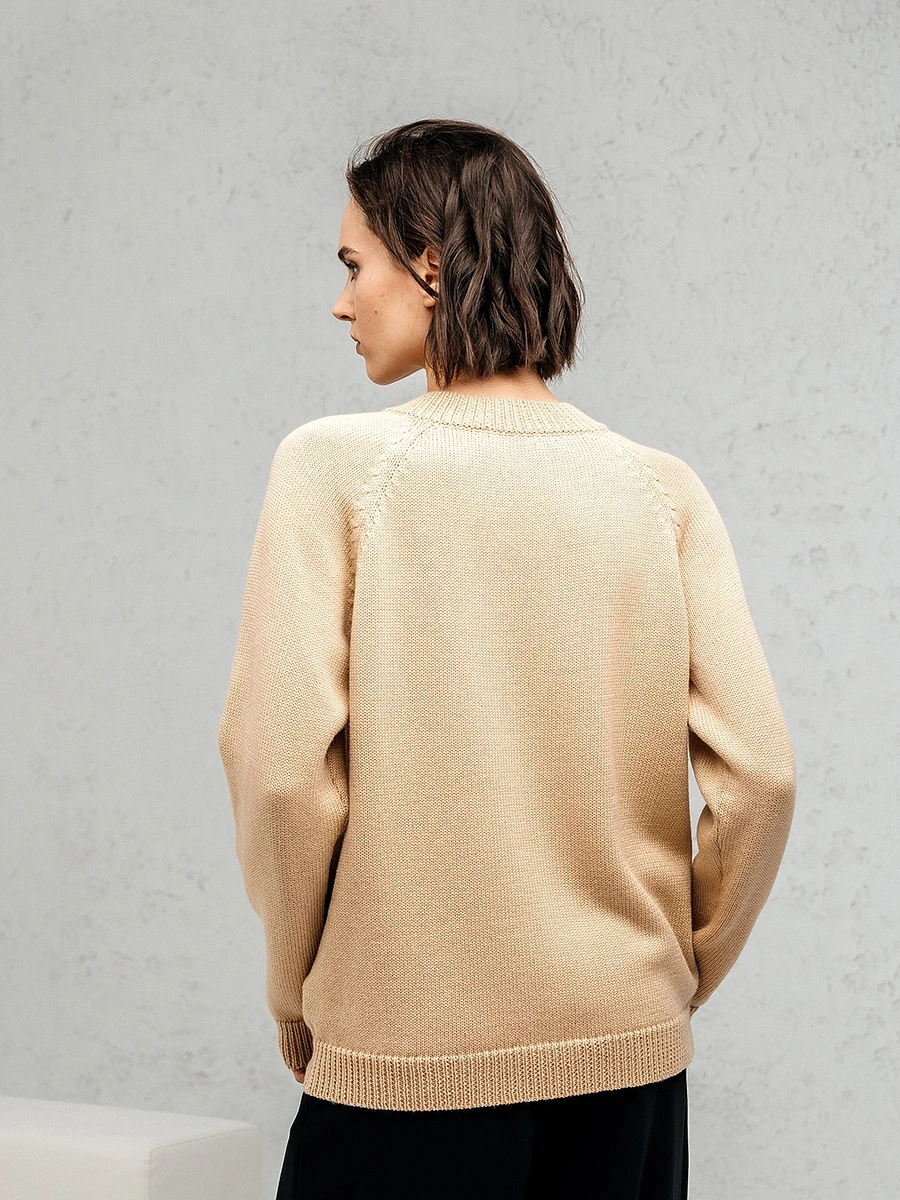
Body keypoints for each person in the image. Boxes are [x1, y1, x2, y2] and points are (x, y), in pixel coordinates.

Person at [218, 118, 796, 1199]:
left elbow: (285, 774)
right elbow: (760, 776)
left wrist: (295, 990)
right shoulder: (659, 489)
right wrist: (663, 977)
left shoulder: (334, 468)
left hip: (408, 1058)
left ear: (431, 264)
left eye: (354, 265)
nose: (342, 302)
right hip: (629, 1058)